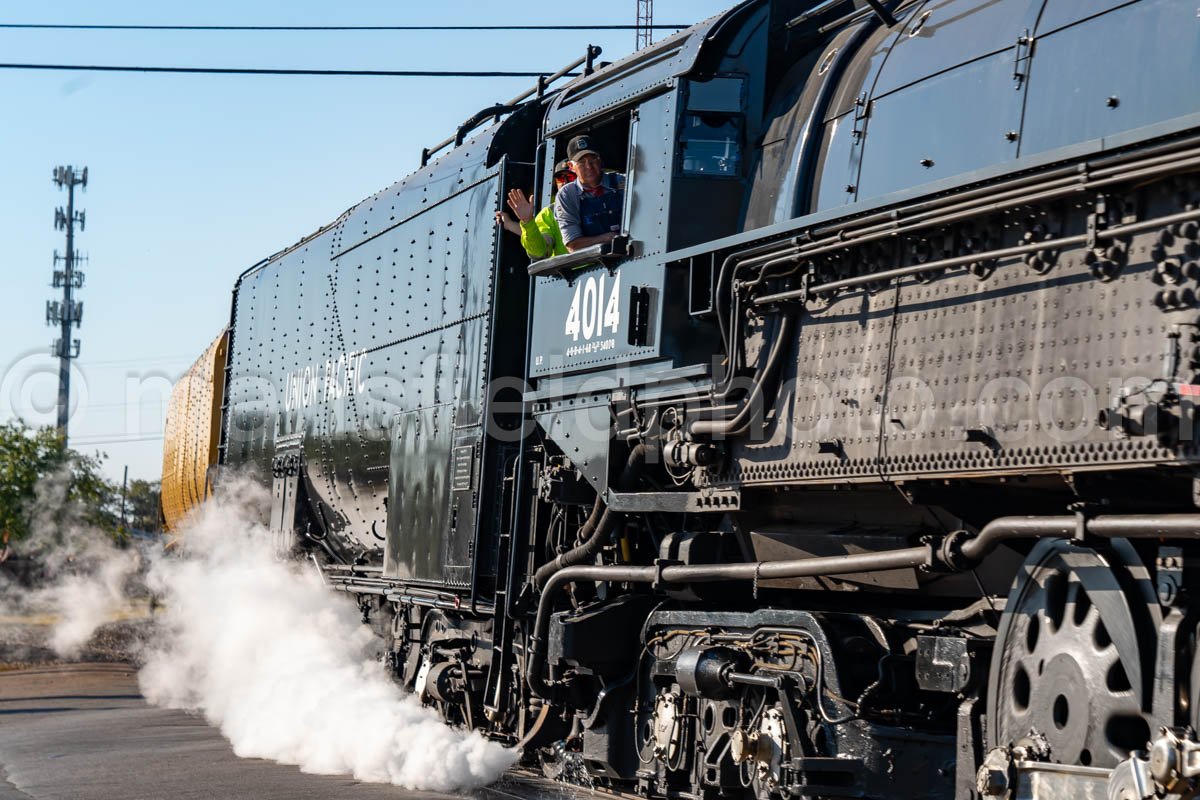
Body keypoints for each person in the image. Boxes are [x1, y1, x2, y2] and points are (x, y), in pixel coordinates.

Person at [555, 134, 625, 252]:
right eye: (582, 162)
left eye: (593, 159)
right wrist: (608, 238)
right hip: (595, 264)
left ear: (600, 160)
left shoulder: (623, 182)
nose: (589, 166)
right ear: (571, 166)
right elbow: (573, 244)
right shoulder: (567, 195)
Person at [495, 161, 574, 259]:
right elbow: (542, 245)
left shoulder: (595, 200)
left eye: (571, 177)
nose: (565, 182)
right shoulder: (549, 212)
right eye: (560, 178)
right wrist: (526, 221)